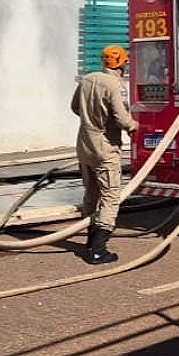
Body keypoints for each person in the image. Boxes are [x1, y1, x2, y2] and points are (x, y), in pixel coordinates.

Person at [71, 44, 139, 264]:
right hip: (105, 148)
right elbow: (121, 117)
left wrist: (90, 119)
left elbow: (74, 107)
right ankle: (98, 250)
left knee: (91, 193)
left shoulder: (87, 79)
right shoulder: (115, 85)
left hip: (84, 145)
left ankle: (90, 241)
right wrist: (133, 126)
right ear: (121, 64)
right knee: (110, 196)